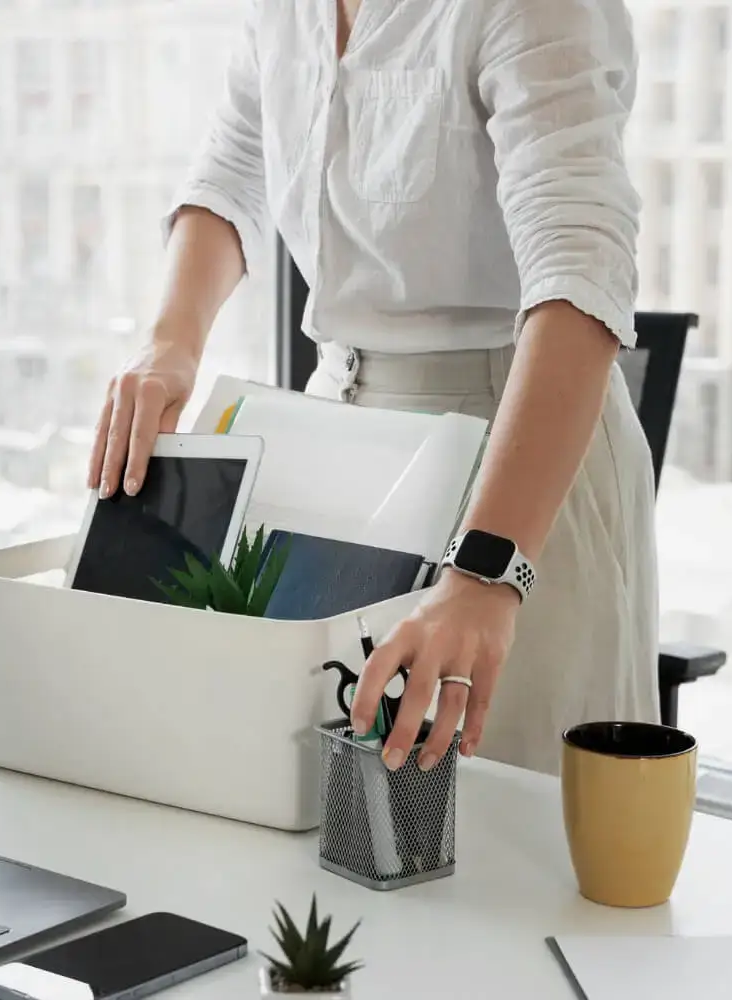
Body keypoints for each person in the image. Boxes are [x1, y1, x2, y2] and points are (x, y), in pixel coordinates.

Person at [87, 0, 656, 777]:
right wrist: (170, 344)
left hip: (511, 467)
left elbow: (580, 269)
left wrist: (487, 569)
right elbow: (232, 169)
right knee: (337, 817)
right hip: (341, 447)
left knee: (511, 838)